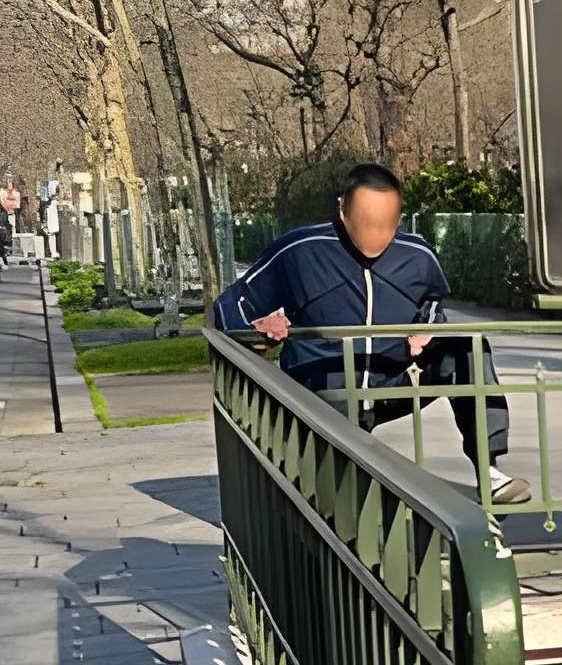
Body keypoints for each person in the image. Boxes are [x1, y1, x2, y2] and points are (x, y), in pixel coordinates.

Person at [210, 162, 530, 505]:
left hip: (392, 381)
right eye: (366, 223)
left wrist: (429, 330)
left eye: (385, 225)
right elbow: (229, 310)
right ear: (342, 209)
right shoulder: (299, 251)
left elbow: (434, 304)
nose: (375, 235)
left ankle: (490, 469)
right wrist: (259, 330)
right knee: (342, 500)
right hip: (324, 387)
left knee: (468, 346)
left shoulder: (417, 255)